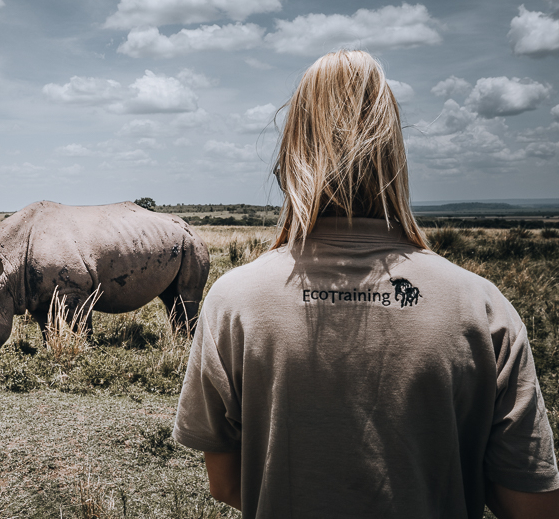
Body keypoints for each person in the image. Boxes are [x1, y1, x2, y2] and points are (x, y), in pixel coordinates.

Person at [173, 50, 559, 519]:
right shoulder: (482, 306)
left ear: (293, 150)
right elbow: (533, 506)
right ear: (393, 151)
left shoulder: (233, 302)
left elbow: (226, 481)